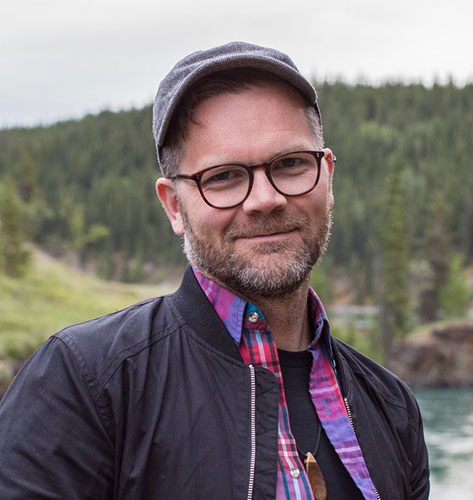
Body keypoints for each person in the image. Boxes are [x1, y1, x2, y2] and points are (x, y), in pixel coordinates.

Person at [0, 41, 429, 499]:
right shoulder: (85, 384)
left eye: (289, 164)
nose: (265, 199)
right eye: (223, 176)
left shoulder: (390, 405)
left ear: (326, 176)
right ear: (174, 206)